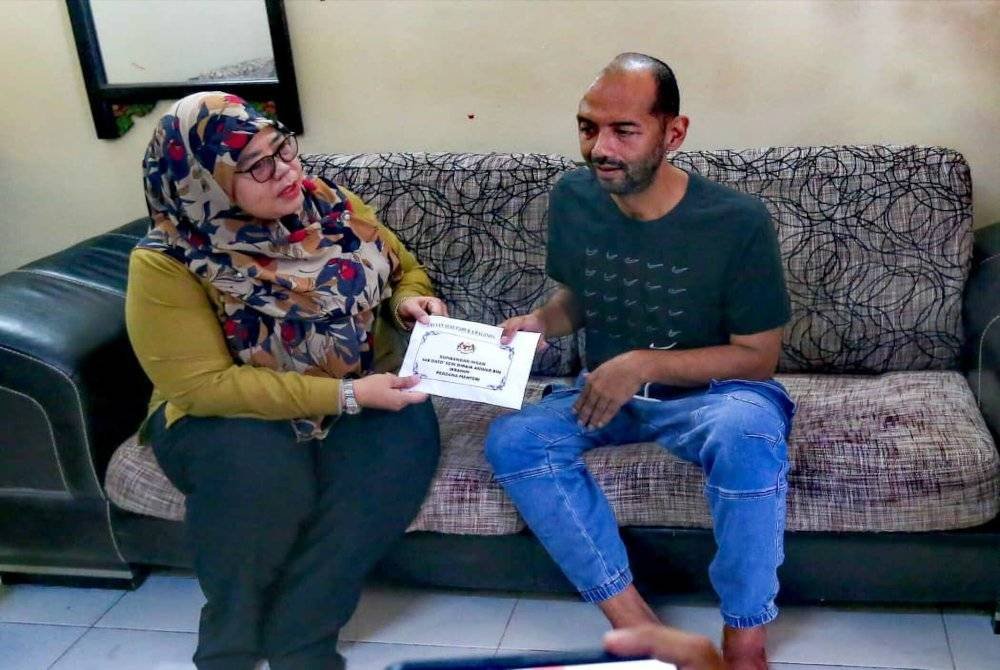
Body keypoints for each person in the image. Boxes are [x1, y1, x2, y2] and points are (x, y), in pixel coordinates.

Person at [485, 54, 794, 670]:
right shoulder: (575, 197)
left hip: (715, 396)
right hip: (607, 394)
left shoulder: (736, 221)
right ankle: (640, 631)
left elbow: (758, 357)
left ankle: (746, 637)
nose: (600, 148)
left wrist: (642, 364)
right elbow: (580, 298)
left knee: (748, 430)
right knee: (514, 440)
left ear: (673, 133)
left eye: (624, 131)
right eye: (587, 127)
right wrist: (542, 322)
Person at [126, 91, 446, 670]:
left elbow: (404, 270)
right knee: (261, 472)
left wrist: (409, 305)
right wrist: (345, 395)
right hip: (224, 413)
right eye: (257, 166)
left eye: (283, 149)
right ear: (207, 183)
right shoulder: (166, 261)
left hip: (362, 386)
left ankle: (301, 637)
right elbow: (203, 387)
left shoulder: (332, 205)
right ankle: (230, 639)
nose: (286, 171)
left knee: (394, 454)